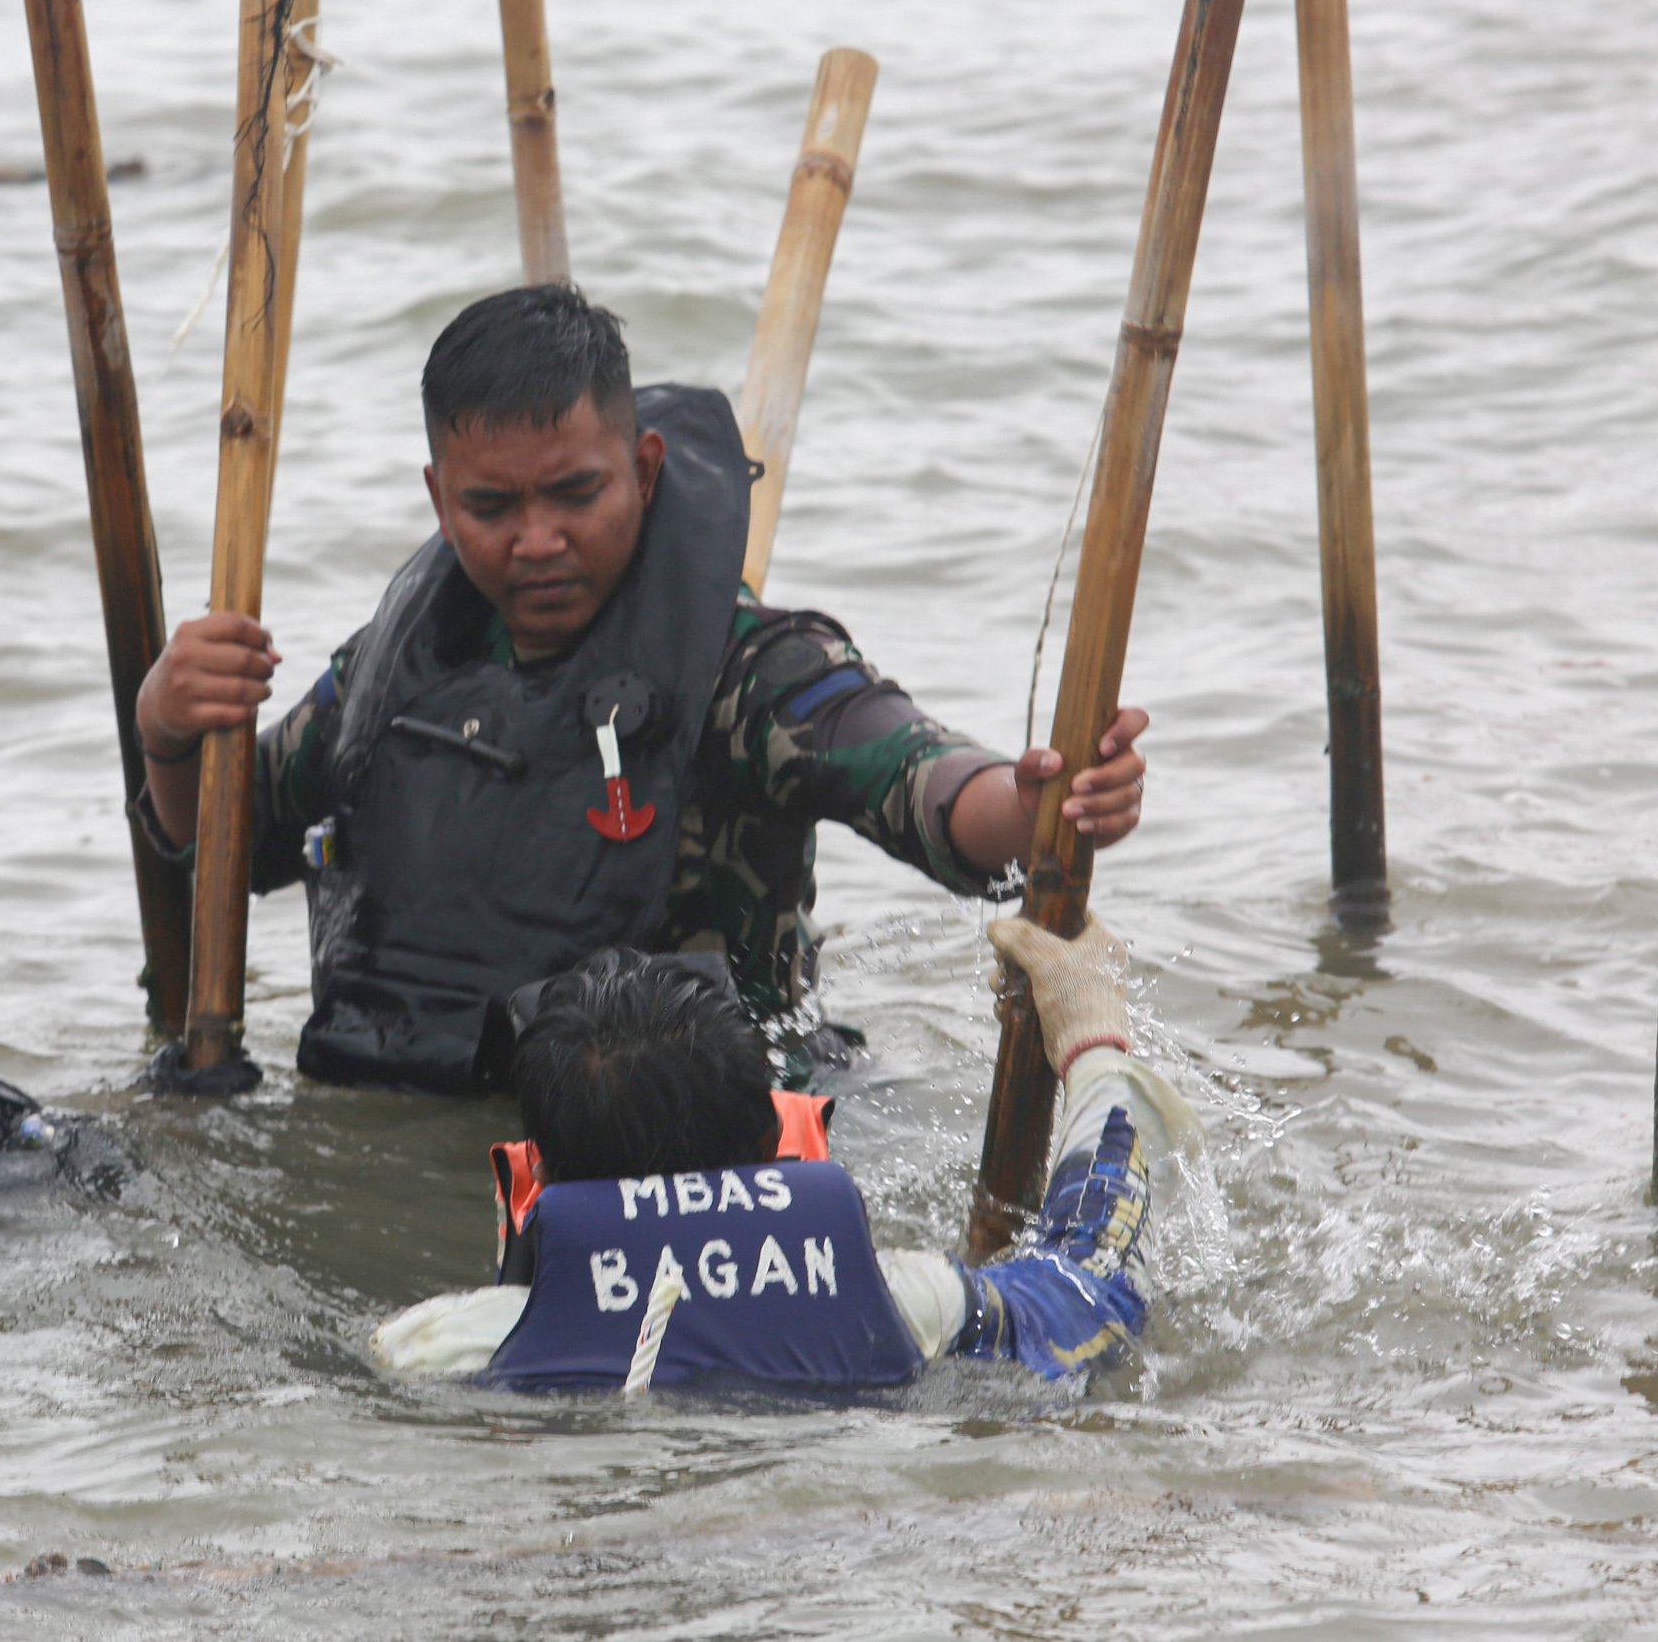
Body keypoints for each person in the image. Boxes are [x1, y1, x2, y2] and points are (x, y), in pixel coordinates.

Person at [133, 285, 1151, 1093]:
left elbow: (916, 777)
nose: (538, 542)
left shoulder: (742, 665)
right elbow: (229, 844)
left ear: (645, 470)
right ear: (439, 498)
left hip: (701, 1128)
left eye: (577, 494)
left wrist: (1033, 806)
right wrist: (169, 731)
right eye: (492, 507)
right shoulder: (395, 666)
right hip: (429, 1096)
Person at [369, 914, 1203, 1390]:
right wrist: (1090, 1031)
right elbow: (1095, 1284)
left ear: (526, 1182)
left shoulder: (435, 1350)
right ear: (792, 1139)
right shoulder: (906, 1306)